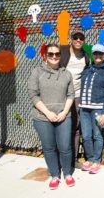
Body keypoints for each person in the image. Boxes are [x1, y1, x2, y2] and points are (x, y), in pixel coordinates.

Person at [28, 44, 75, 189]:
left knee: (65, 147)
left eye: (57, 54)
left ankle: (67, 173)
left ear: (60, 56)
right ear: (45, 56)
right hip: (42, 118)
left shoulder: (66, 73)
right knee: (49, 148)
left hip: (63, 117)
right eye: (50, 54)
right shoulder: (37, 72)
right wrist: (48, 113)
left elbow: (70, 95)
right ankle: (55, 175)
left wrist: (64, 112)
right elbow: (33, 95)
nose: (54, 56)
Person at [79, 44, 104, 174]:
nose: (98, 56)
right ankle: (90, 158)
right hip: (84, 108)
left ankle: (97, 161)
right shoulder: (87, 68)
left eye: (100, 53)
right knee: (86, 135)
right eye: (95, 53)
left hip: (98, 109)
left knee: (97, 135)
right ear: (92, 55)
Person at [60, 30, 90, 169]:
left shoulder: (85, 56)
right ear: (71, 39)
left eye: (81, 38)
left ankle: (73, 159)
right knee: (59, 126)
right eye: (75, 38)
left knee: (76, 126)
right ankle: (58, 159)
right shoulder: (63, 51)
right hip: (61, 94)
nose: (78, 40)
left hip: (77, 95)